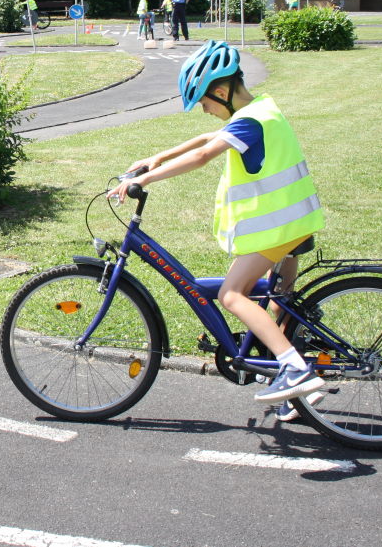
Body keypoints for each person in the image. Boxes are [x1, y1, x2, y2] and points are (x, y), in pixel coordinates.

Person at [108, 40, 325, 410]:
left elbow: (203, 154)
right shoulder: (260, 110)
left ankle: (295, 369)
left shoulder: (251, 123)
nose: (205, 111)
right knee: (277, 304)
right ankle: (290, 385)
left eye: (205, 103)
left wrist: (143, 180)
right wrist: (157, 157)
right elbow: (208, 138)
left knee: (231, 294)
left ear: (221, 92)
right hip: (295, 221)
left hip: (278, 228)